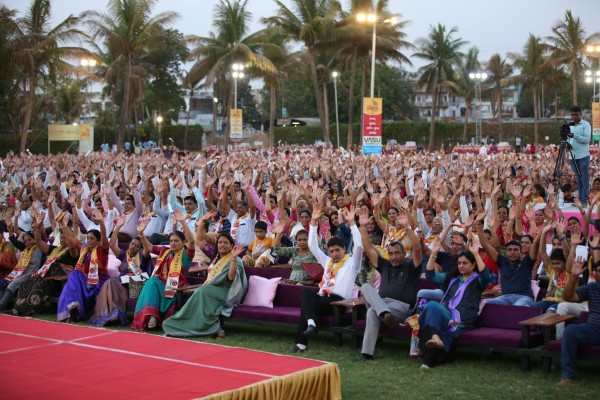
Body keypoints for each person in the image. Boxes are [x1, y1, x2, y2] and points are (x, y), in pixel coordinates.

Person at [290, 203, 362, 353]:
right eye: (331, 251)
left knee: (306, 305)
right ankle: (311, 324)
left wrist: (353, 224)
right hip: (322, 298)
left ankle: (302, 341)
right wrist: (314, 223)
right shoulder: (327, 261)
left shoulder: (352, 263)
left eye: (337, 250)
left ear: (344, 249)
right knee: (306, 293)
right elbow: (313, 246)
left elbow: (359, 247)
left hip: (337, 302)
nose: (334, 254)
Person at [355, 209, 422, 361]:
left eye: (397, 253)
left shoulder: (411, 266)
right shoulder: (385, 265)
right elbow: (368, 248)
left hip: (401, 307)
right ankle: (368, 352)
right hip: (384, 305)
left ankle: (367, 351)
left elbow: (417, 248)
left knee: (372, 311)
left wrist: (407, 228)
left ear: (403, 254)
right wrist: (363, 227)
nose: (393, 257)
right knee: (365, 286)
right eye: (390, 253)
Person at [418, 236, 491, 369]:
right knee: (431, 310)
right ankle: (434, 343)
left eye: (465, 263)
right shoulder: (453, 277)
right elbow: (430, 275)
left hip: (463, 318)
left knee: (432, 308)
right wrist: (433, 253)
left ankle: (429, 356)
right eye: (459, 263)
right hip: (446, 314)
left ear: (473, 265)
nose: (461, 266)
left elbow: (486, 276)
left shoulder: (477, 280)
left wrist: (475, 253)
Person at [162, 234, 247, 338]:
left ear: (231, 246)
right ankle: (188, 323)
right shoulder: (216, 258)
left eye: (225, 243)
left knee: (201, 292)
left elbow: (231, 277)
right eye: (220, 243)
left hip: (227, 291)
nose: (222, 245)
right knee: (201, 292)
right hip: (211, 289)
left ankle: (204, 326)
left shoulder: (235, 259)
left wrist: (233, 258)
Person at [131, 209, 197, 331]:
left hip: (175, 287)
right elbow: (149, 247)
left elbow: (192, 241)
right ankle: (152, 316)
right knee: (152, 281)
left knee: (152, 282)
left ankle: (153, 316)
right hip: (159, 284)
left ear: (183, 243)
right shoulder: (165, 251)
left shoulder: (186, 255)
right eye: (171, 241)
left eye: (176, 241)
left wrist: (183, 222)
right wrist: (141, 234)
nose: (173, 243)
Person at [88, 216, 152, 326]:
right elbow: (112, 245)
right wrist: (117, 226)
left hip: (135, 284)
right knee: (110, 283)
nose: (133, 247)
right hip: (122, 283)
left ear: (139, 249)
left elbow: (148, 249)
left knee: (111, 282)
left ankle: (114, 313)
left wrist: (141, 234)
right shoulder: (124, 255)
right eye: (132, 243)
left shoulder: (142, 255)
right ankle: (112, 313)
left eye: (137, 246)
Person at [13, 214, 80, 316]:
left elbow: (72, 245)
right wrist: (38, 227)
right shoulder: (55, 249)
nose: (62, 239)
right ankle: (17, 308)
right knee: (26, 283)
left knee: (39, 285)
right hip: (46, 276)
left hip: (58, 281)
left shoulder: (73, 252)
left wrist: (64, 227)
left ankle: (27, 310)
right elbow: (39, 241)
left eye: (65, 238)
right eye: (61, 237)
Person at [56, 210, 110, 322]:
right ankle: (73, 308)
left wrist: (101, 222)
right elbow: (72, 239)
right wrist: (62, 225)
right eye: (88, 238)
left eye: (92, 238)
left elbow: (104, 239)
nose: (89, 241)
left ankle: (72, 309)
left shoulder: (102, 250)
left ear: (98, 241)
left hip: (98, 282)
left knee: (73, 277)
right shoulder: (85, 250)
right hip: (86, 280)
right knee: (75, 274)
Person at [558, 254, 600, 386]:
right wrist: (574, 277)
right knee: (570, 331)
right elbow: (568, 297)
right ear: (596, 275)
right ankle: (568, 376)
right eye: (599, 271)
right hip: (593, 330)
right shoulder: (592, 287)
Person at [0, 225, 43, 312]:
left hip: (31, 274)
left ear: (35, 239)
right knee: (4, 282)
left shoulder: (39, 246)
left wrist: (37, 225)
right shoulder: (26, 248)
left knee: (12, 284)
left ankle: (1, 305)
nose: (28, 243)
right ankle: (3, 304)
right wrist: (9, 228)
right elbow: (15, 242)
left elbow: (39, 237)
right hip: (21, 273)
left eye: (30, 240)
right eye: (25, 241)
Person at [567, 106, 592, 205]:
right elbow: (569, 139)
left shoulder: (586, 124)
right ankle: (580, 200)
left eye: (576, 114)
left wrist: (575, 136)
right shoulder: (570, 125)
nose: (574, 116)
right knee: (578, 178)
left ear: (580, 114)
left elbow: (587, 140)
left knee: (584, 177)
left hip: (583, 155)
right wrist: (567, 144)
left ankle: (584, 200)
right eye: (572, 114)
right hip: (572, 155)